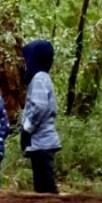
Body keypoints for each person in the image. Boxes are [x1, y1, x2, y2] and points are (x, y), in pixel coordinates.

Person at [20, 38, 61, 193]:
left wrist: (27, 129)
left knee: (45, 185)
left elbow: (39, 106)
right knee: (42, 181)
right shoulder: (43, 78)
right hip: (41, 142)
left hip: (42, 141)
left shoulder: (39, 78)